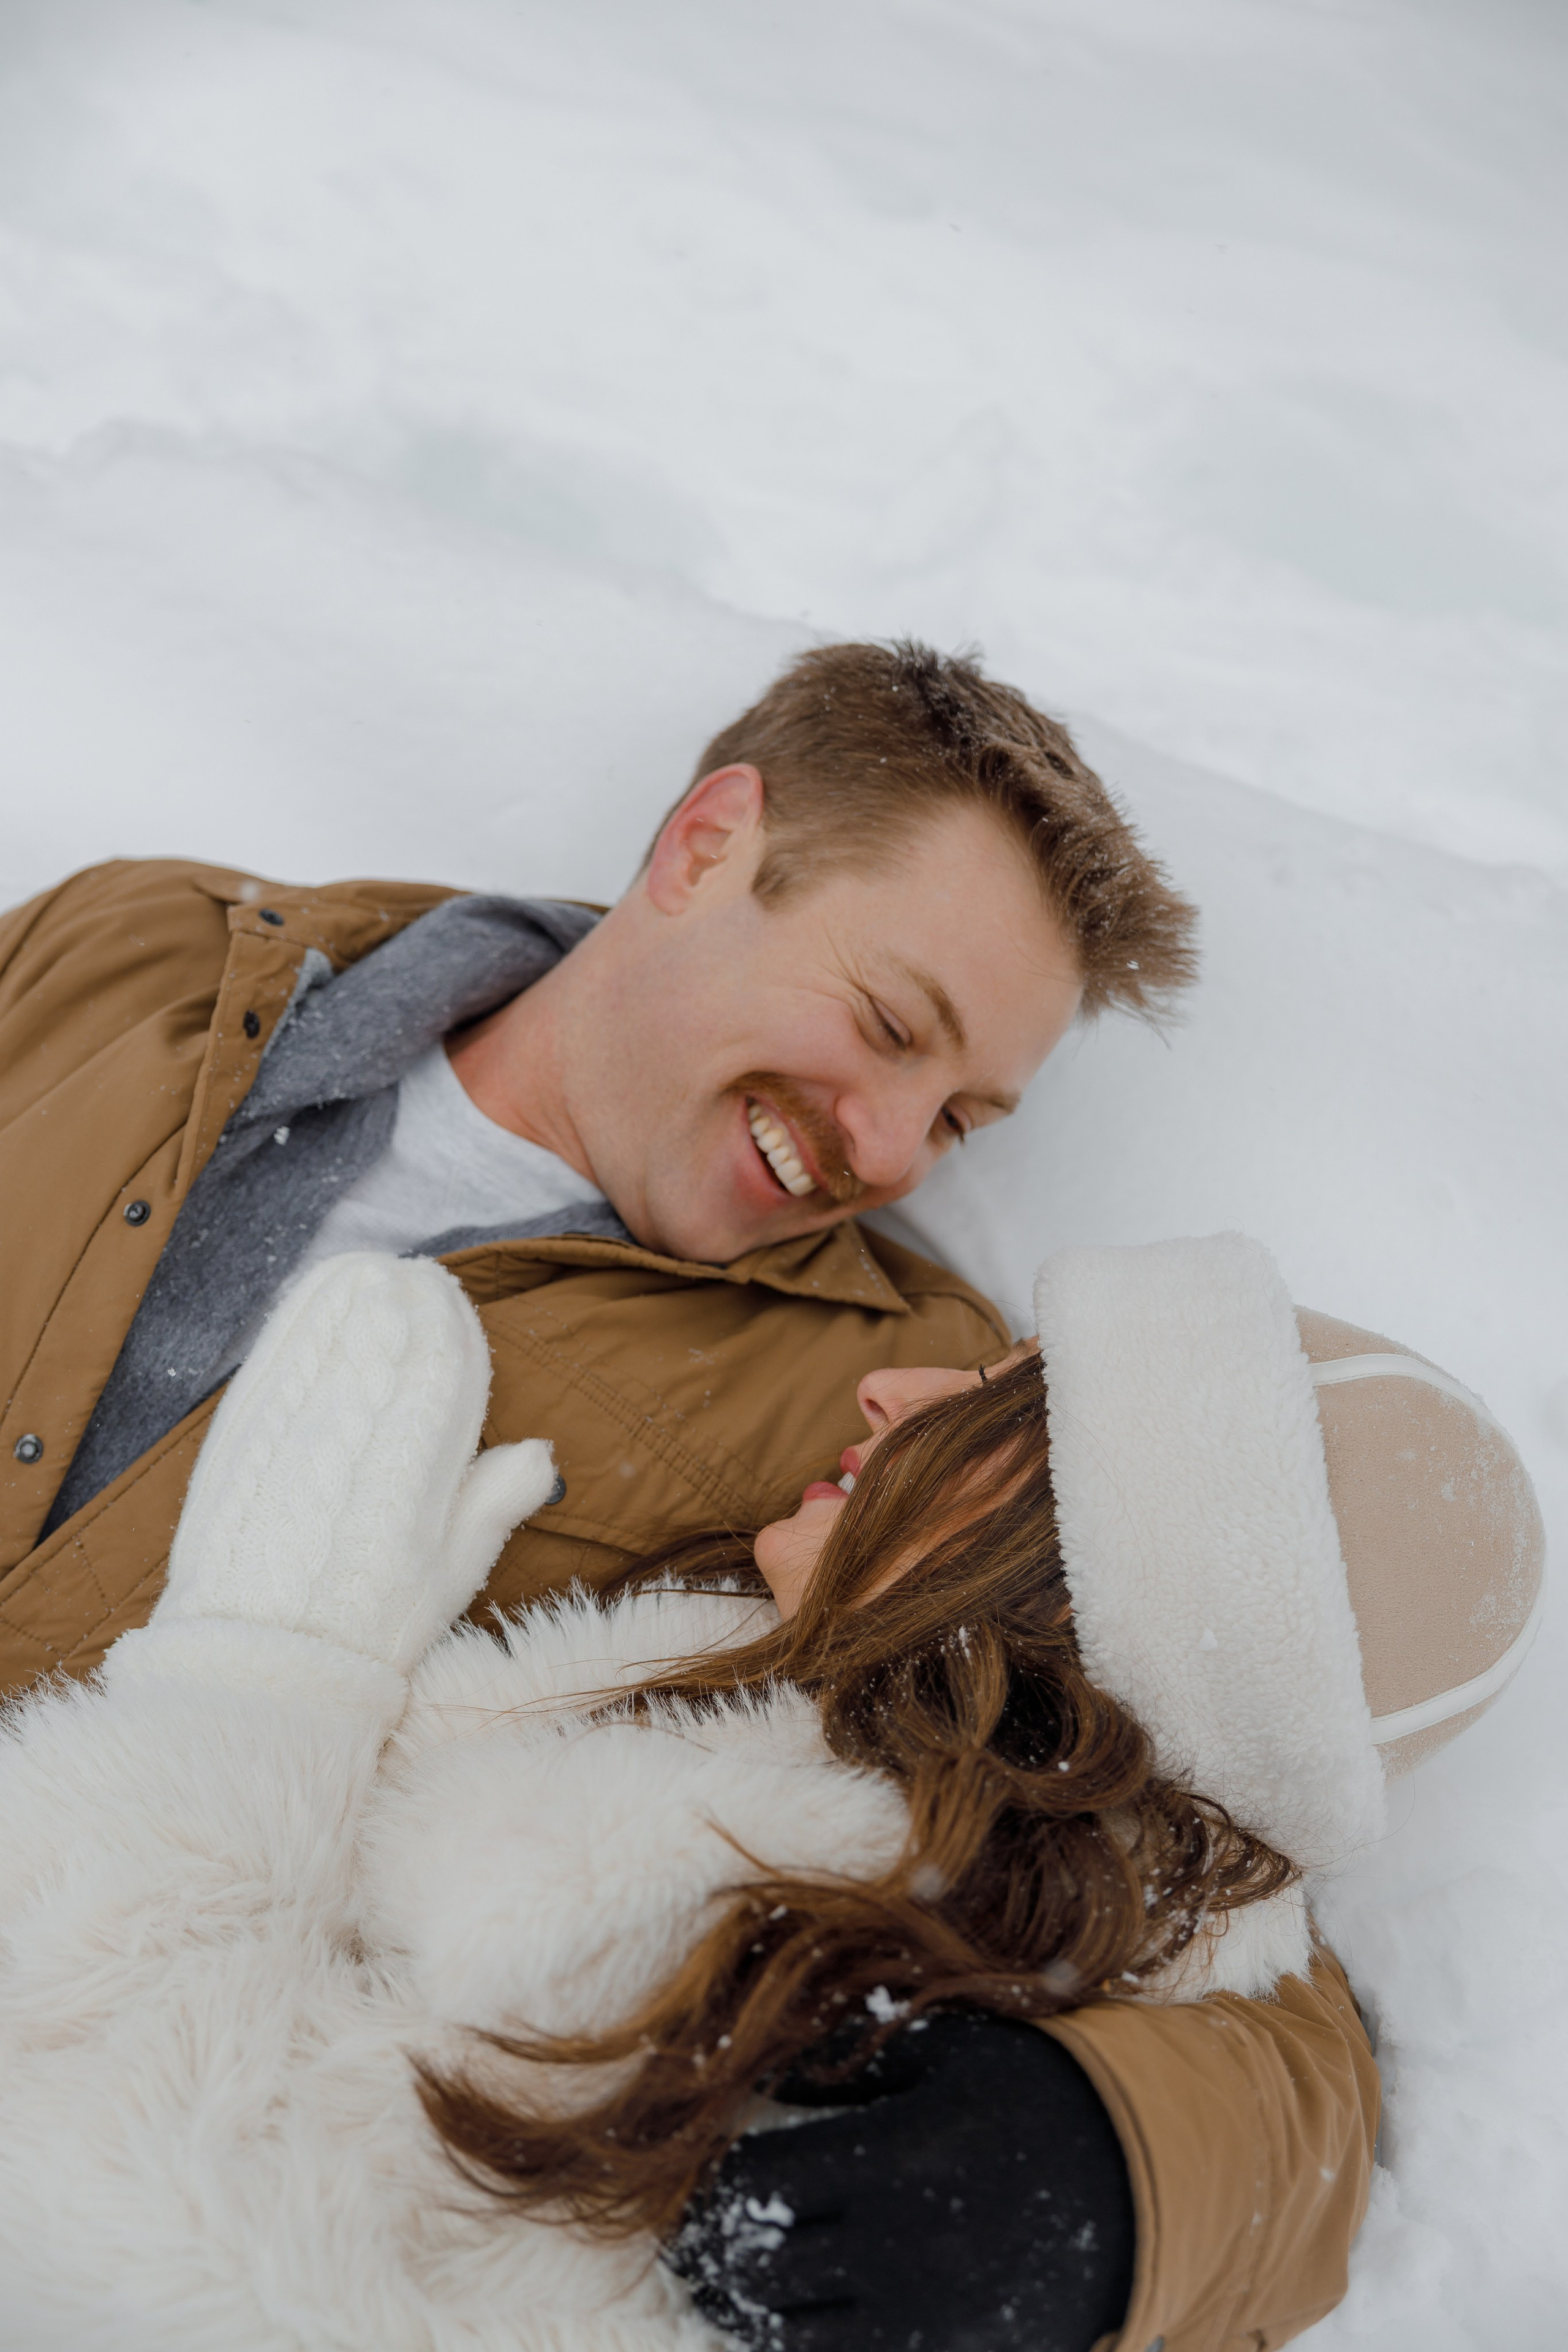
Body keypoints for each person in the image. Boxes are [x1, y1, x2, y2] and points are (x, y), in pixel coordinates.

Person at [0, 638, 1360, 2348]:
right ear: (708, 845)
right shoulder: (143, 955)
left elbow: (1249, 1936)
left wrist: (1110, 2165)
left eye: (959, 1119)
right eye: (889, 1028)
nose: (888, 1149)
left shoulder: (889, 1412)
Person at [0, 1238, 1540, 2350]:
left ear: (1110, 1569)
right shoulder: (783, 1719)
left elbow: (175, 2248)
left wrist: (252, 1689)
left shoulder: (859, 1951)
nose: (887, 1390)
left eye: (1004, 1403)